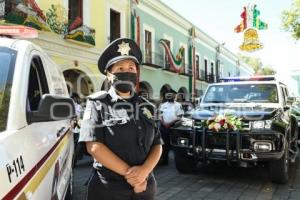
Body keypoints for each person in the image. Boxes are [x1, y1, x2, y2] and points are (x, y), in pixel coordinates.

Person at [79, 38, 163, 200]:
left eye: (131, 68)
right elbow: (94, 147)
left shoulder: (147, 107)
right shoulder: (97, 103)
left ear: (137, 73)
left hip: (145, 187)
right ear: (109, 75)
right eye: (120, 68)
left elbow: (157, 144)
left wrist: (144, 172)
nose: (127, 71)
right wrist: (133, 177)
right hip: (109, 189)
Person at [158, 88, 184, 165]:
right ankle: (165, 161)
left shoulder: (178, 105)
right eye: (168, 95)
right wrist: (164, 123)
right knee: (164, 144)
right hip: (164, 127)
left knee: (175, 144)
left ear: (175, 96)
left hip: (174, 127)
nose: (170, 97)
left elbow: (180, 116)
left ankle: (178, 161)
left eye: (172, 95)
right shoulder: (163, 105)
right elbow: (160, 115)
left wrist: (170, 123)